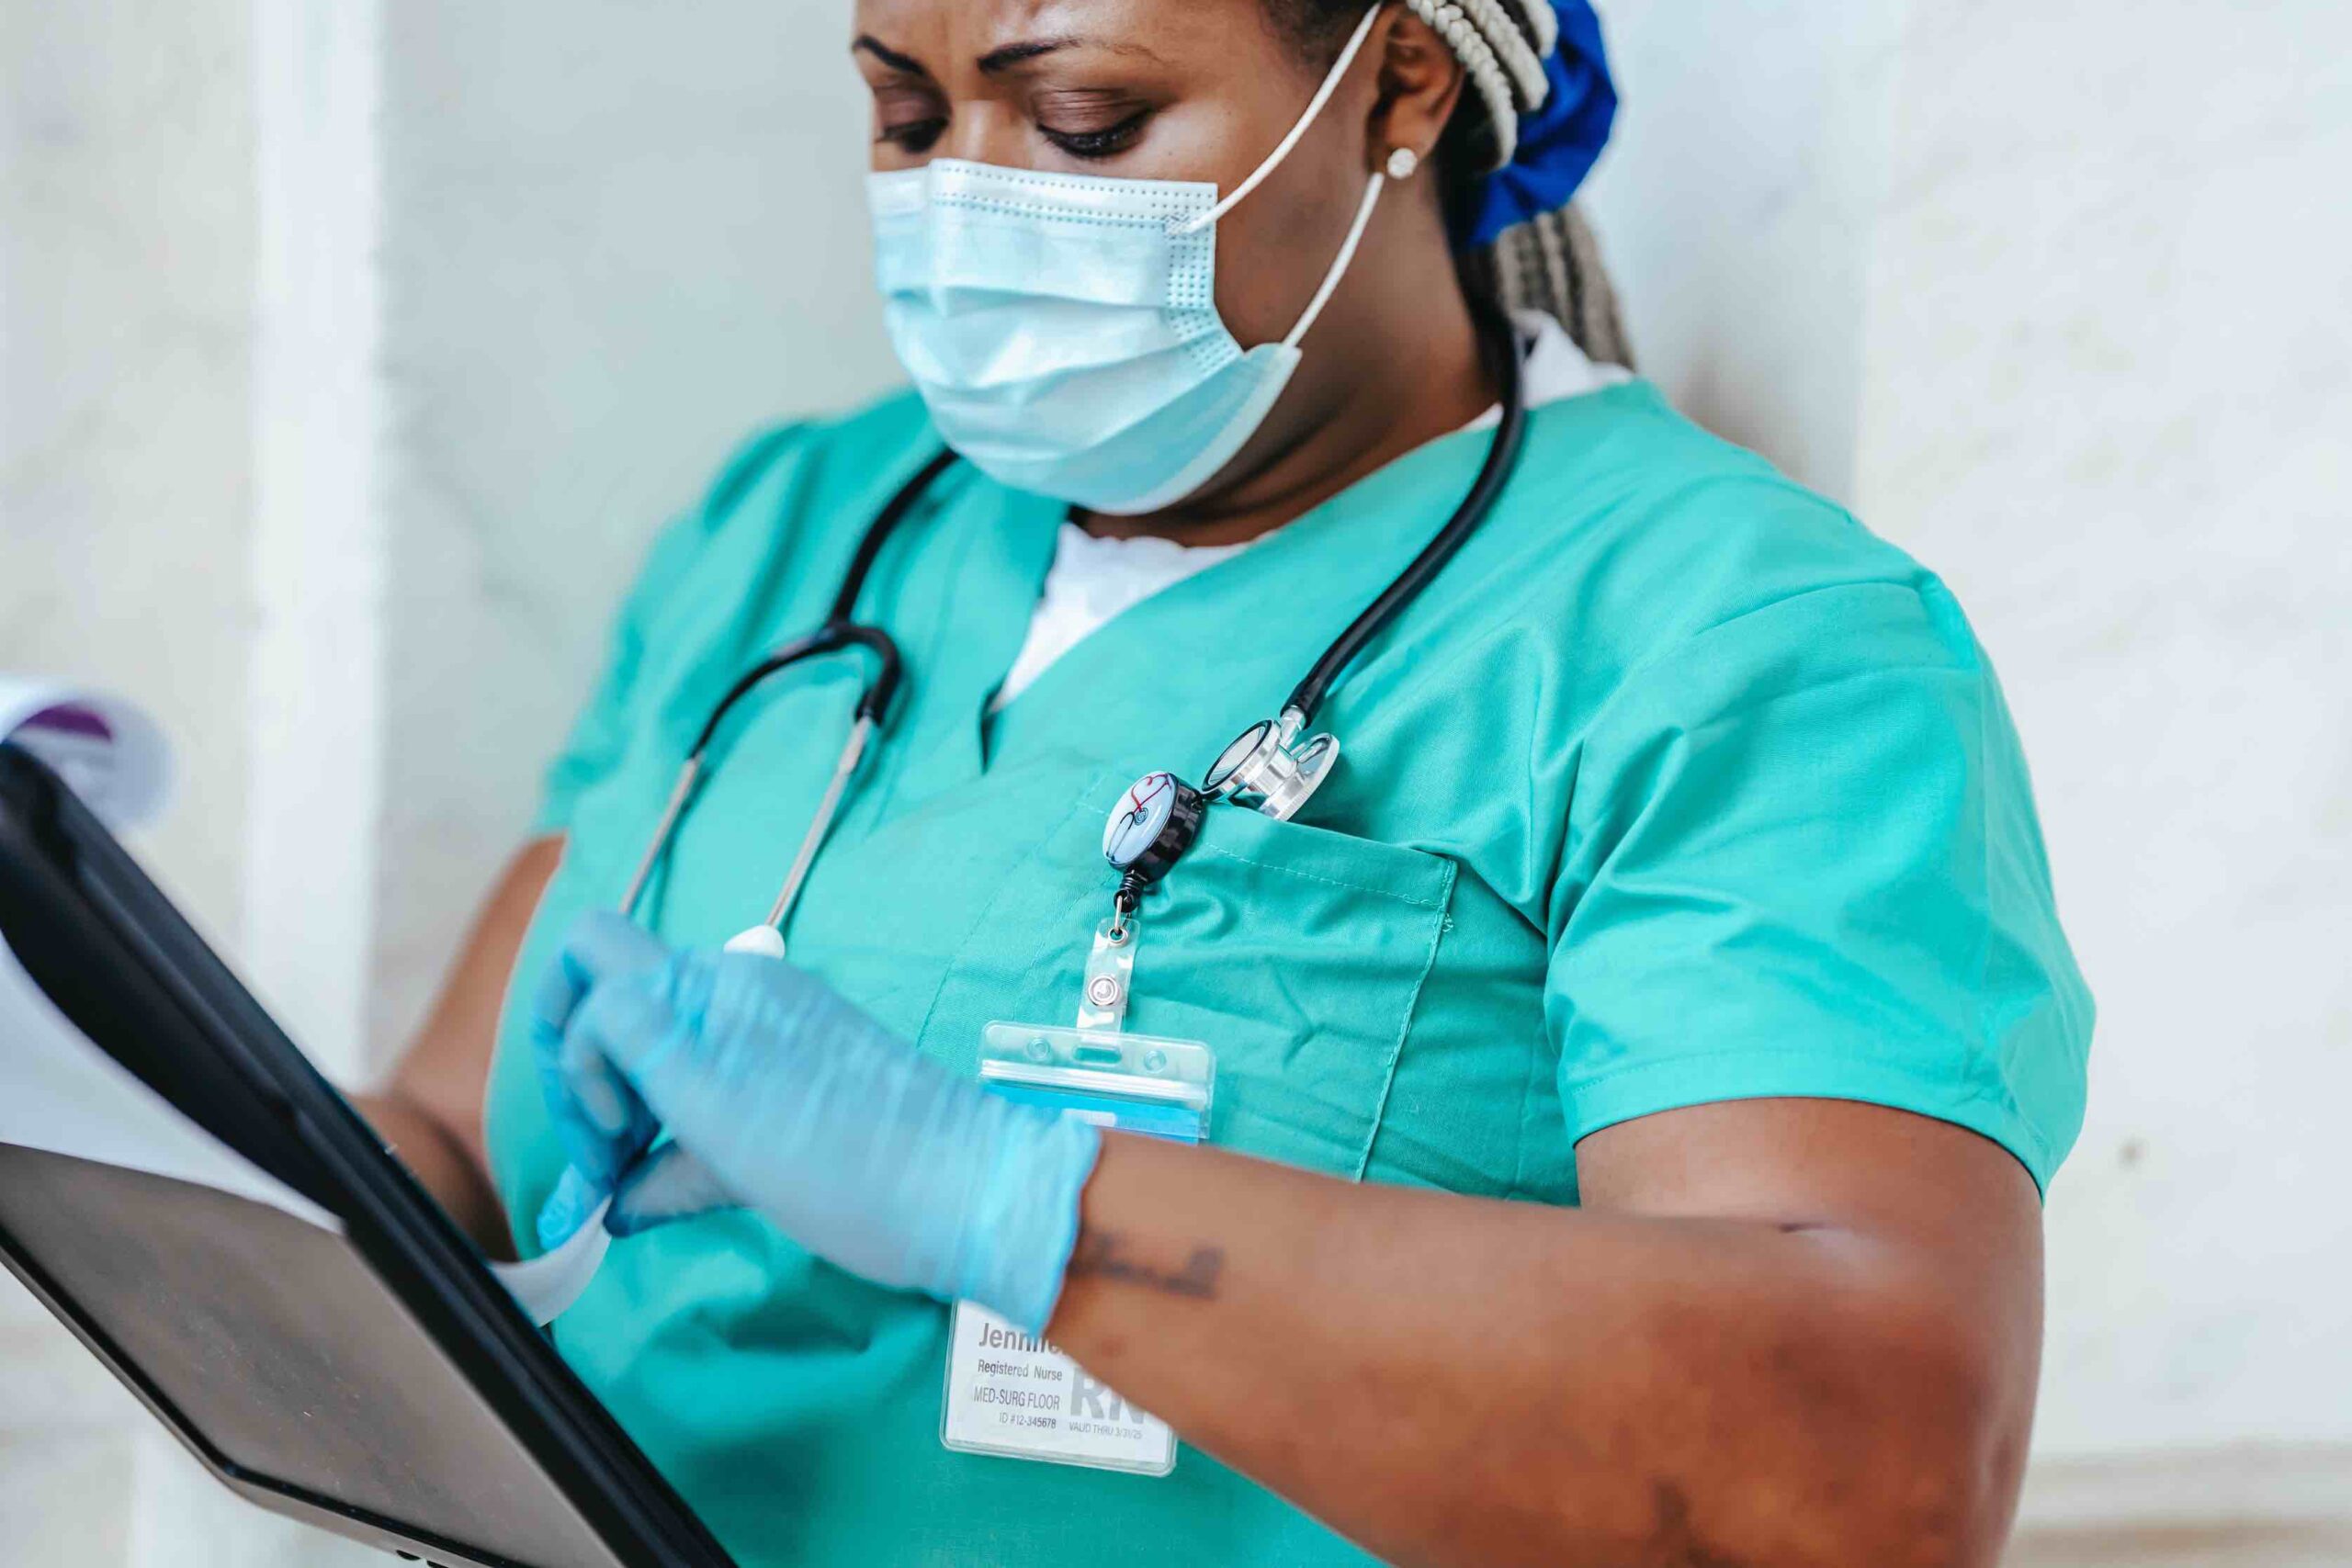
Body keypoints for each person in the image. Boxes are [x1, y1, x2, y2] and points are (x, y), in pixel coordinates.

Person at [360, 2, 2093, 1563]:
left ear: (1397, 82)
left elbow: (1875, 1470)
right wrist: (146, 1102)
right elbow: (447, 1136)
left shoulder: (1733, 641)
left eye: (1086, 121)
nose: (967, 198)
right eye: (904, 115)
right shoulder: (806, 525)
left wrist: (1008, 1198)